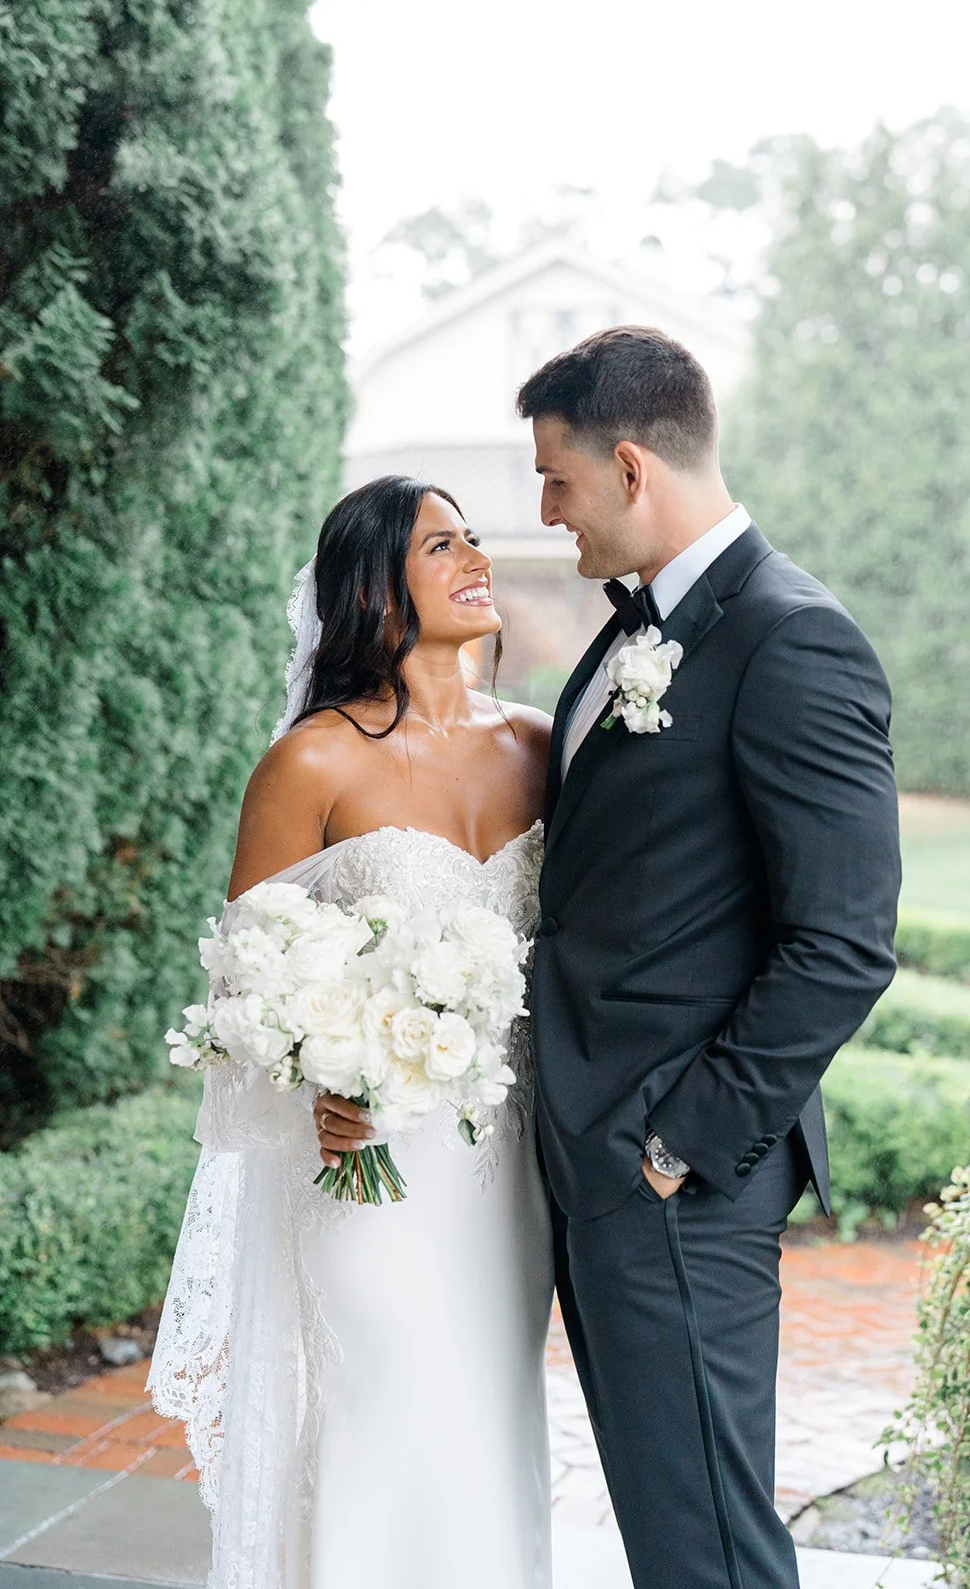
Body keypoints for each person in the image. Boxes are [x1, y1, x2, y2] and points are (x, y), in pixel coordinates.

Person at [518, 324, 901, 1589]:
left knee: (708, 1547)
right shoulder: (636, 629)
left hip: (672, 1169)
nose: (546, 511)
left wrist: (677, 1142)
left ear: (632, 467)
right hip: (603, 1152)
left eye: (557, 480)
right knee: (667, 1517)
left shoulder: (792, 637)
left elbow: (842, 943)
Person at [149, 476, 555, 1589]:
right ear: (377, 586)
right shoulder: (311, 762)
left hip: (508, 1170)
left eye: (475, 538)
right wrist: (318, 1083)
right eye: (441, 544)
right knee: (382, 1411)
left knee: (489, 1414)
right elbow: (245, 994)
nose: (476, 557)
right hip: (365, 1161)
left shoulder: (540, 745)